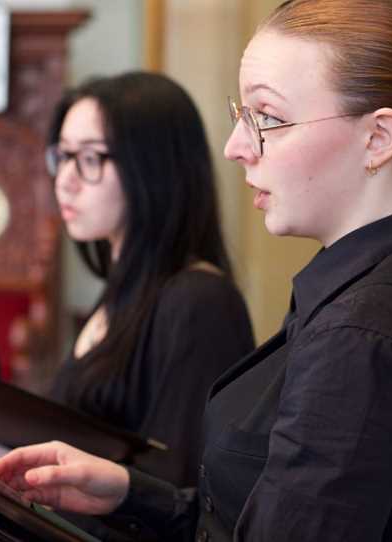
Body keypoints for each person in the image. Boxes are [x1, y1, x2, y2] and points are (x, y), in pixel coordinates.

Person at [0, 1, 392, 541]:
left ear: (378, 138)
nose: (236, 146)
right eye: (242, 116)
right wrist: (128, 493)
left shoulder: (367, 329)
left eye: (268, 117)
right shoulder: (370, 295)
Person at [43, 72, 255, 489]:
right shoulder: (120, 291)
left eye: (89, 159)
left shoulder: (199, 301)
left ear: (152, 168)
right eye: (63, 156)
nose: (64, 180)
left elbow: (180, 486)